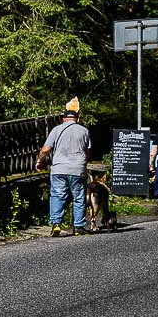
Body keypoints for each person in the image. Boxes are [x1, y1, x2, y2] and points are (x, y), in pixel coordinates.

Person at [36, 100, 92, 236]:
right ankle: (78, 227)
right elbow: (88, 151)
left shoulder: (56, 130)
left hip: (59, 169)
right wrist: (83, 163)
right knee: (79, 197)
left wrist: (39, 161)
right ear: (77, 118)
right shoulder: (84, 131)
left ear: (63, 118)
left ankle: (56, 224)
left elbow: (45, 150)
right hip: (77, 169)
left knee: (57, 196)